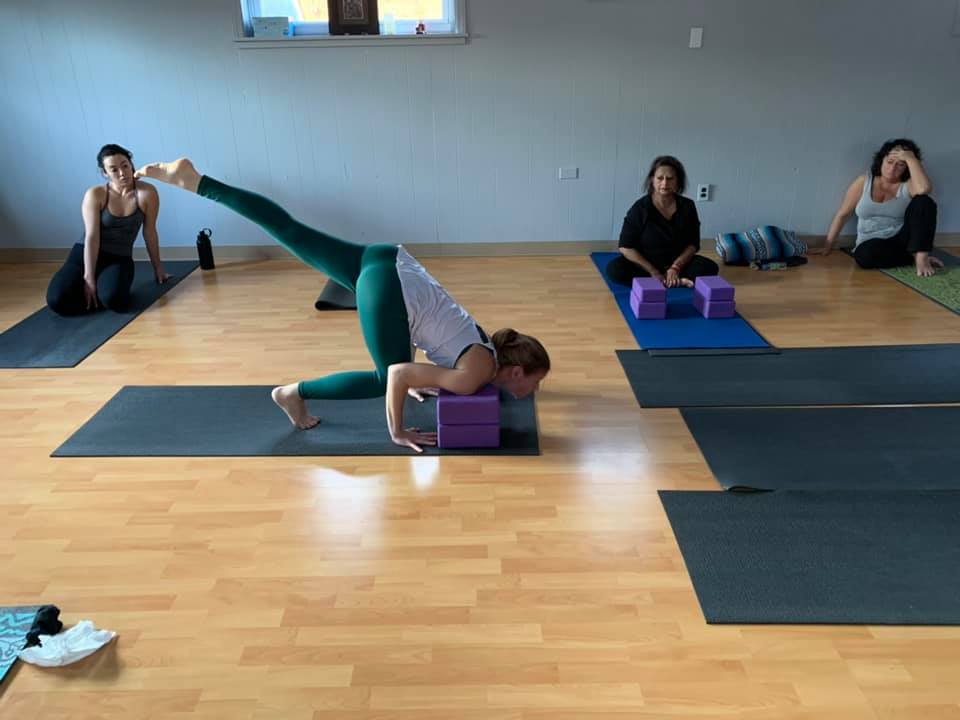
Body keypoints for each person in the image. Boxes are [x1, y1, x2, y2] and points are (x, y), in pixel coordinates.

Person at [135, 158, 550, 452]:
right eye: (535, 383)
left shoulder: (486, 345)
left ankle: (196, 181)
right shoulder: (473, 376)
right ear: (516, 371)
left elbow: (430, 329)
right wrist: (398, 429)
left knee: (289, 230)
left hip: (390, 259)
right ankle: (292, 393)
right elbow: (399, 372)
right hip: (388, 288)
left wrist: (424, 376)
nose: (532, 392)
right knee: (382, 378)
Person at [46, 144, 169, 315]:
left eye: (125, 165)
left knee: (113, 300)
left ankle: (100, 291)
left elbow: (150, 232)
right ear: (105, 173)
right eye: (114, 169)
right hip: (84, 254)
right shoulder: (95, 194)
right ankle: (92, 286)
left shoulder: (147, 193)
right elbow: (92, 237)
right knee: (56, 300)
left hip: (119, 258)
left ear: (131, 165)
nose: (122, 173)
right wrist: (89, 277)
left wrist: (158, 268)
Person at [813, 138, 940, 277]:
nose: (892, 168)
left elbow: (924, 189)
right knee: (864, 257)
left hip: (902, 239)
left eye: (900, 165)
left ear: (907, 168)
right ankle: (911, 258)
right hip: (871, 244)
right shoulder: (864, 181)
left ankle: (921, 258)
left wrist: (911, 159)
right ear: (881, 160)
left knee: (924, 201)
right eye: (890, 161)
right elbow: (843, 214)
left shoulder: (909, 185)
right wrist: (827, 246)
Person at [606, 155, 719, 289]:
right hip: (647, 264)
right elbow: (625, 247)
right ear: (652, 180)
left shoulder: (687, 206)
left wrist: (675, 267)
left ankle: (665, 280)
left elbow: (693, 244)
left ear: (678, 181)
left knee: (709, 267)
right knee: (615, 270)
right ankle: (673, 281)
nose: (665, 183)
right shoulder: (640, 208)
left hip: (678, 263)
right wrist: (653, 271)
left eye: (670, 178)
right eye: (660, 178)